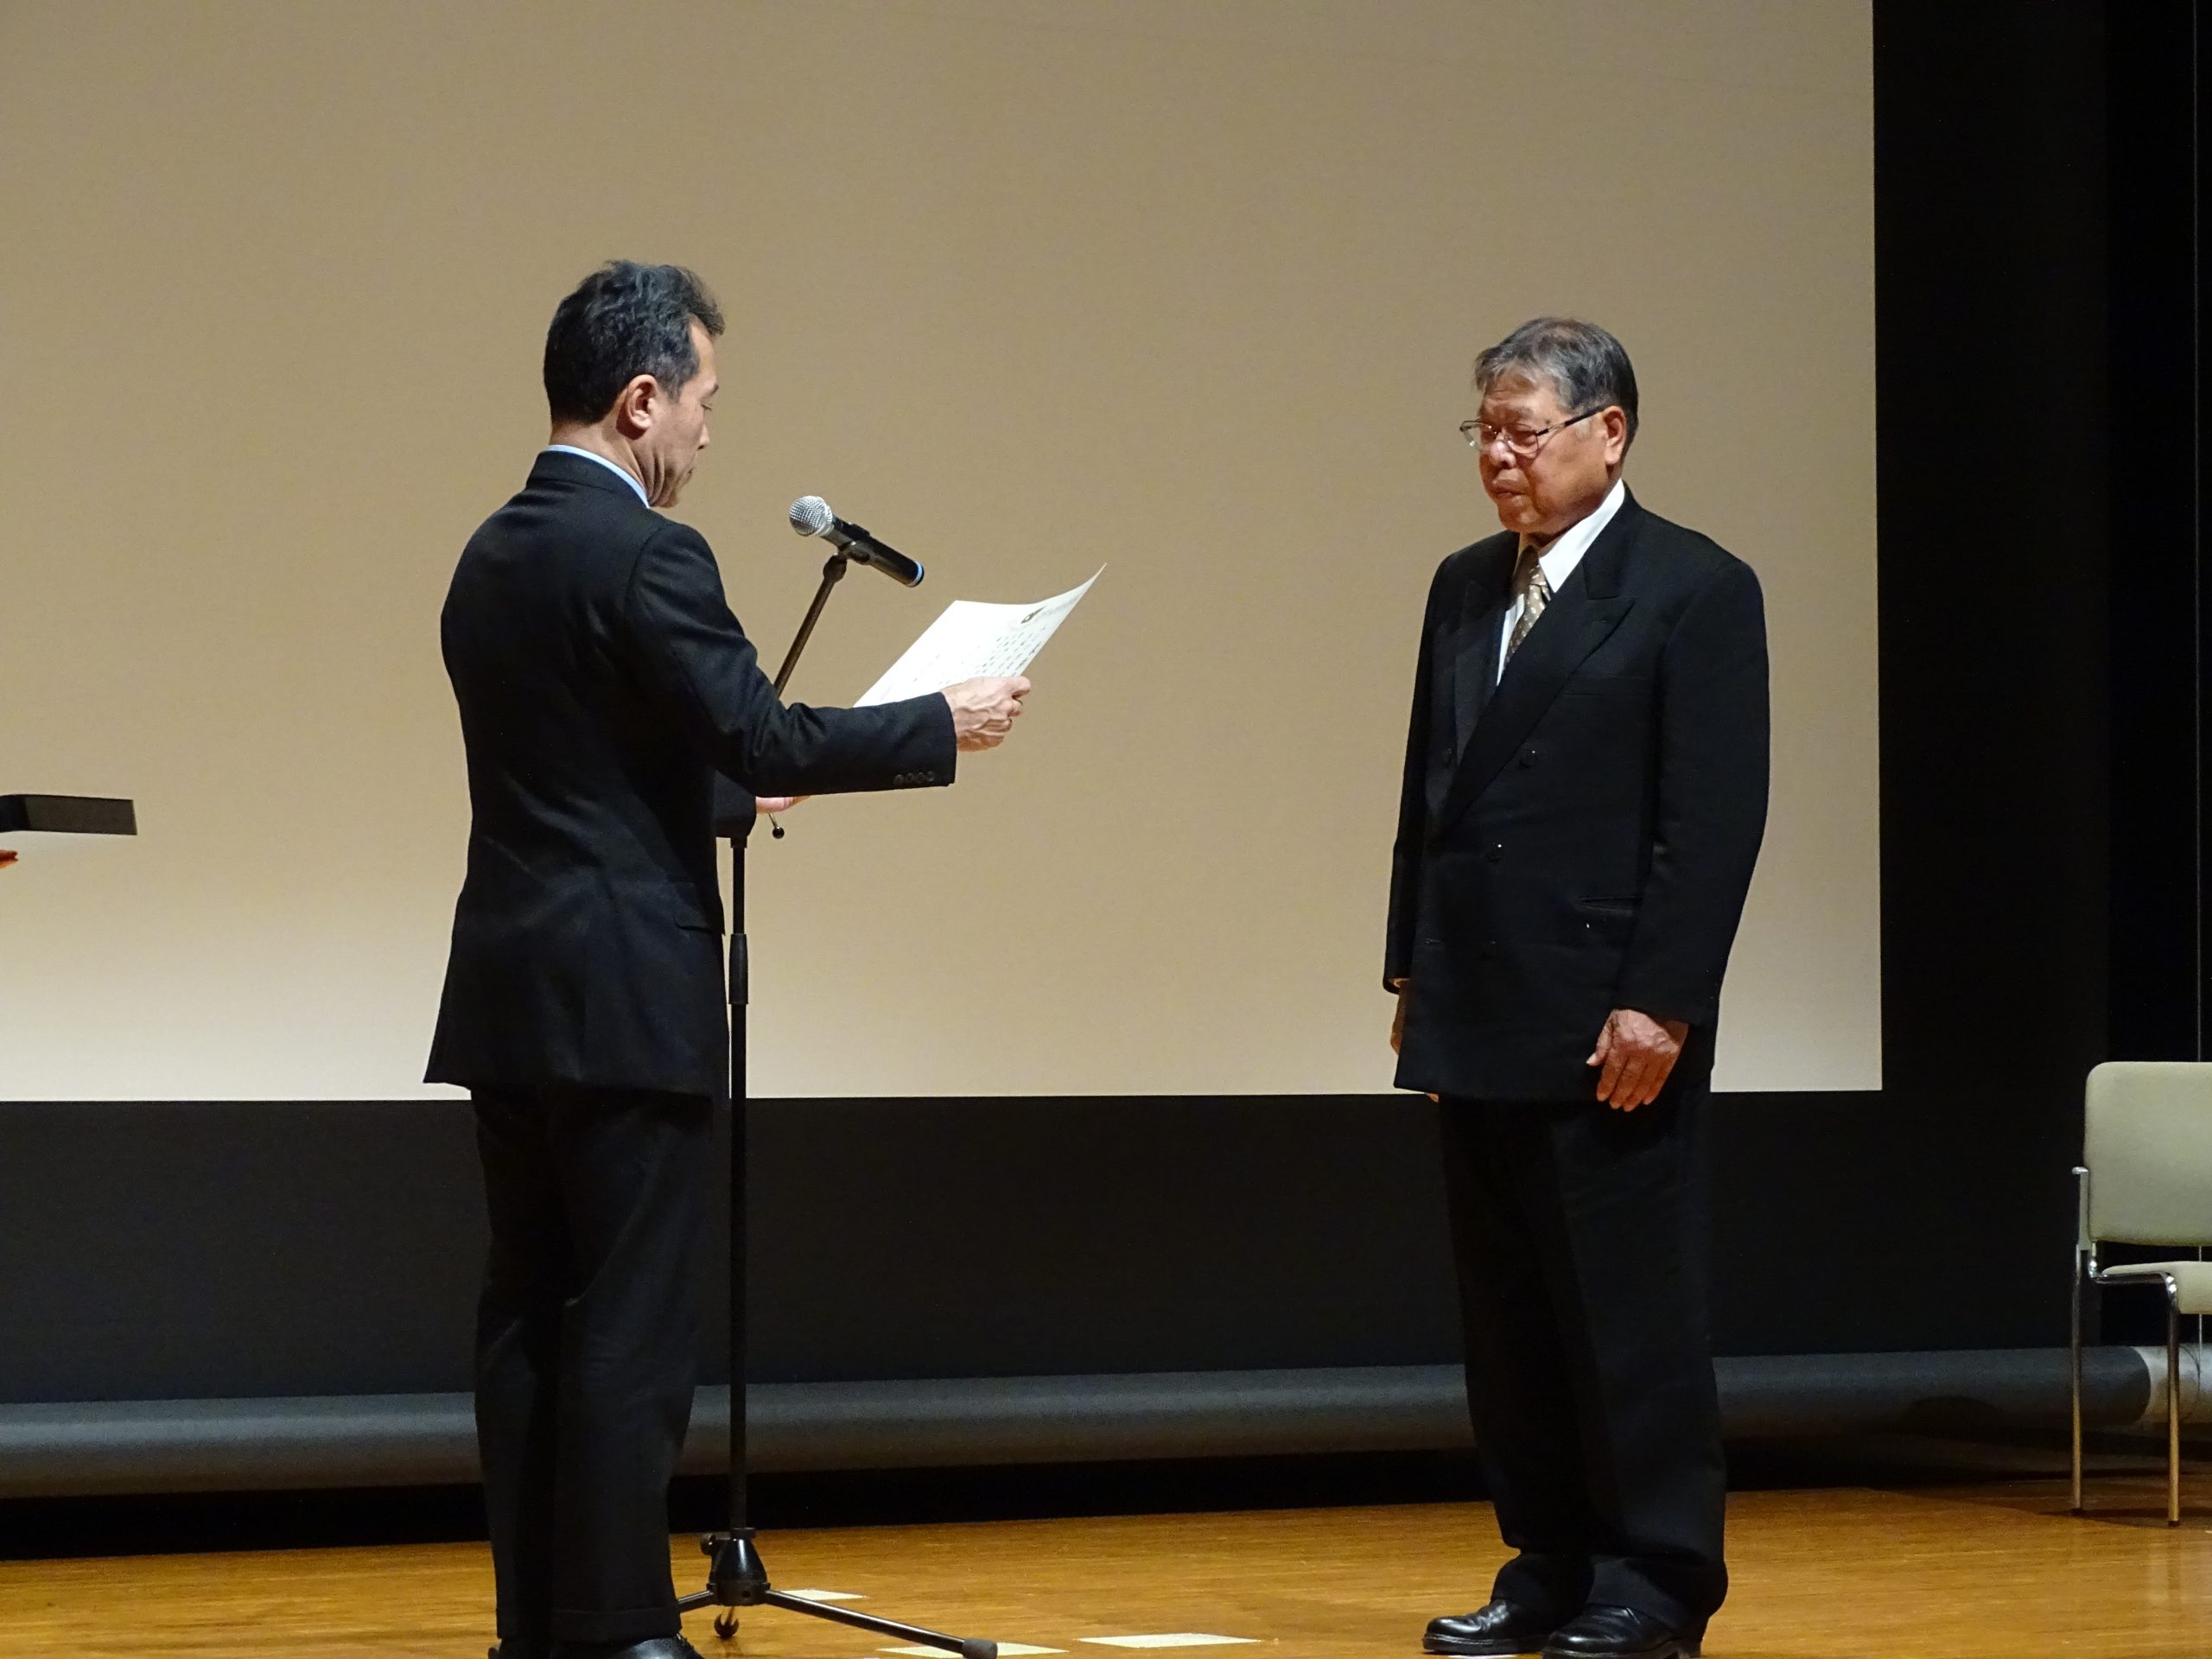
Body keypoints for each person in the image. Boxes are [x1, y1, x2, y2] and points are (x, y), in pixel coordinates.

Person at [427, 261, 1029, 1659]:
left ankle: (545, 1626)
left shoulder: (490, 550)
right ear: (641, 399)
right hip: (629, 994)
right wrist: (941, 720)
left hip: (511, 992)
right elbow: (759, 734)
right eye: (703, 399)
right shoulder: (651, 552)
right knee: (630, 1330)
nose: (708, 430)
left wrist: (720, 795)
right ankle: (628, 1629)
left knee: (527, 1315)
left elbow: (587, 763)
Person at [1387, 318, 1768, 1659]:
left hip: (1612, 1010)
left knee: (1628, 1311)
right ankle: (1546, 1559)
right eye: (1483, 432)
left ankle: (1656, 1578)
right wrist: (1409, 963)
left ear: (1609, 434)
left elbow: (1711, 820)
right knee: (1511, 1317)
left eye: (1523, 432)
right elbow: (1430, 794)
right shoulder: (1460, 585)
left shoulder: (1693, 589)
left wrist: (1662, 999)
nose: (1498, 458)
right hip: (1479, 996)